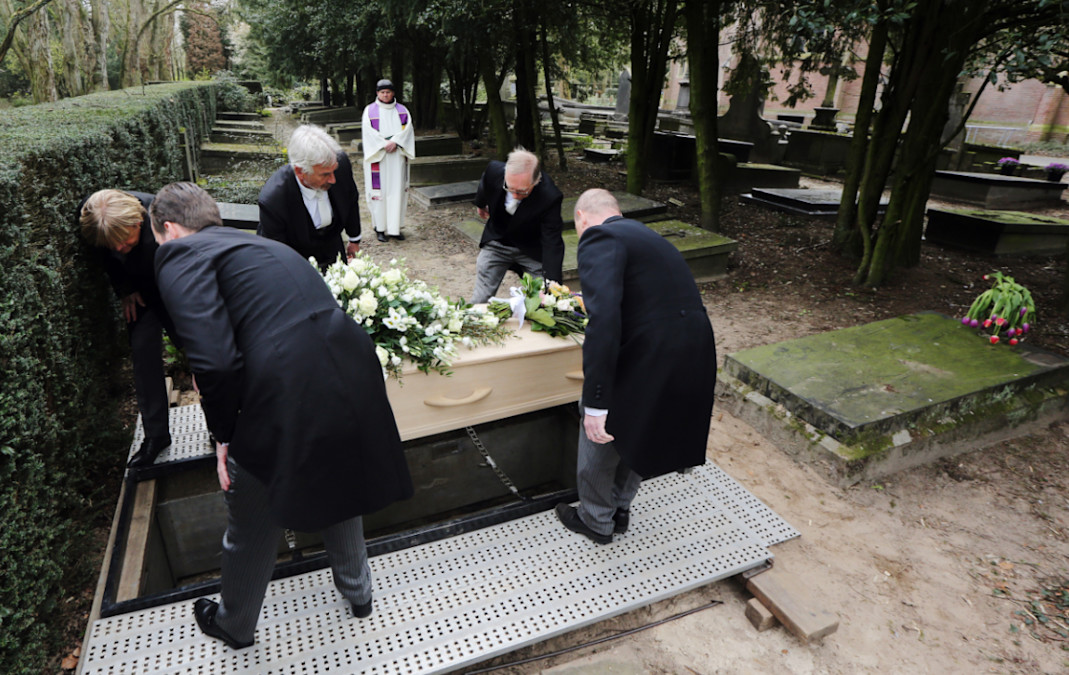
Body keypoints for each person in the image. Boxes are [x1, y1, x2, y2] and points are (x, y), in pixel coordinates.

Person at [149, 182, 413, 649]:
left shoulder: (180, 253)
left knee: (250, 507)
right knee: (341, 479)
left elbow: (215, 360)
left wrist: (224, 436)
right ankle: (359, 594)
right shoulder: (257, 243)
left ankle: (233, 624)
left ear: (169, 229)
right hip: (350, 367)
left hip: (289, 383)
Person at [554, 189, 716, 545]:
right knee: (641, 421)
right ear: (617, 211)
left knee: (602, 423)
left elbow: (605, 320)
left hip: (651, 349)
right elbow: (647, 294)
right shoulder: (646, 235)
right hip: (692, 346)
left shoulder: (598, 235)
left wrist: (596, 401)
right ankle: (620, 507)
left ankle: (595, 519)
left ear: (581, 217)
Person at [79, 189, 178, 469]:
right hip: (141, 295)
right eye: (113, 245)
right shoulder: (94, 219)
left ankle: (219, 427)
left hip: (174, 289)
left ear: (138, 223)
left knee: (200, 355)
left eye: (124, 242)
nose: (119, 249)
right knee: (143, 356)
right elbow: (107, 259)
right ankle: (156, 436)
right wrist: (125, 289)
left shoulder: (165, 218)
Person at [258, 124, 362, 269]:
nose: (333, 179)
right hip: (296, 257)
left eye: (334, 171)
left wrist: (354, 239)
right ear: (301, 172)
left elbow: (350, 199)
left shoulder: (339, 165)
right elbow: (277, 254)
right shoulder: (274, 200)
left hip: (332, 245)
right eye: (325, 174)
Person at [470, 148, 565, 303]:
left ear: (536, 180)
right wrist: (480, 204)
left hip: (531, 248)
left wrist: (553, 285)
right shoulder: (494, 170)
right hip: (498, 241)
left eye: (522, 192)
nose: (515, 196)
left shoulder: (550, 197)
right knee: (480, 298)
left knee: (543, 300)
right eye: (510, 189)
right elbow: (485, 184)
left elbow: (552, 241)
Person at [362, 79, 415, 242]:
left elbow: (407, 129)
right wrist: (384, 143)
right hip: (379, 156)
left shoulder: (402, 110)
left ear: (393, 93)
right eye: (382, 92)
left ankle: (395, 228)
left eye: (388, 92)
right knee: (380, 192)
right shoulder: (370, 110)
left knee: (396, 190)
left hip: (397, 156)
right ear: (377, 93)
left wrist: (396, 142)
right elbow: (368, 131)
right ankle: (380, 228)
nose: (385, 95)